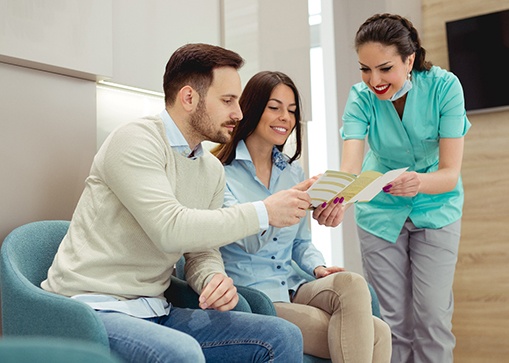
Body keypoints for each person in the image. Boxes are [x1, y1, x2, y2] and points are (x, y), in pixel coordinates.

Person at [41, 43, 311, 363]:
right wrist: (264, 212)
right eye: (227, 101)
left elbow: (200, 250)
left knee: (281, 335)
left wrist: (211, 278)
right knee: (180, 352)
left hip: (156, 309)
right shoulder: (135, 141)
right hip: (92, 308)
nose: (238, 113)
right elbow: (170, 229)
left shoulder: (210, 169)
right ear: (188, 98)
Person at [213, 70, 392, 363]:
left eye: (292, 110)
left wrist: (318, 267)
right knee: (377, 334)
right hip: (256, 295)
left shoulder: (292, 171)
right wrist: (282, 204)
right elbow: (247, 242)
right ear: (252, 108)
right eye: (275, 107)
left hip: (294, 283)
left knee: (353, 284)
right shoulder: (220, 173)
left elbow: (301, 243)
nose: (285, 117)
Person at [330, 13, 470, 363]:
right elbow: (350, 166)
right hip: (378, 211)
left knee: (433, 320)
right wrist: (337, 200)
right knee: (391, 323)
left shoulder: (444, 87)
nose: (374, 80)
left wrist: (418, 182)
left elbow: (450, 173)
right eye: (365, 69)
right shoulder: (360, 98)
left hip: (436, 207)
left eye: (385, 68)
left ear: (410, 59)